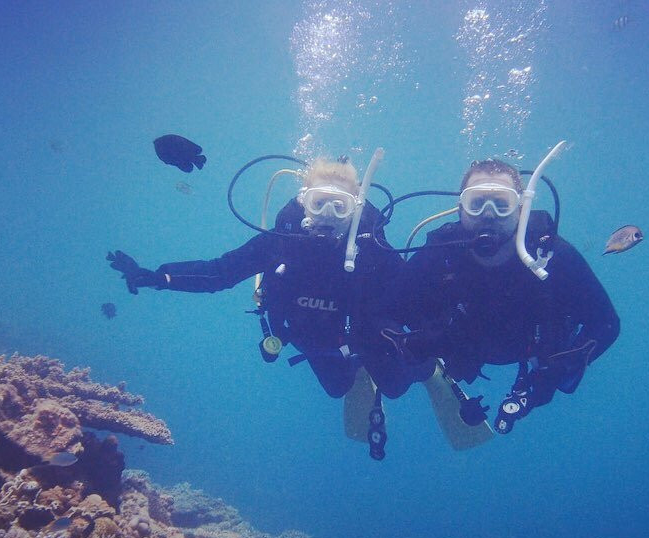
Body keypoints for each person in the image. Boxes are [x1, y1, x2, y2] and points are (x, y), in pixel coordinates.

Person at [107, 156, 431, 404]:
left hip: (364, 332)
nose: (329, 214)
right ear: (304, 202)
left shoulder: (370, 247)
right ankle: (359, 371)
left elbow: (414, 293)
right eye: (320, 202)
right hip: (310, 336)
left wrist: (433, 337)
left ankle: (430, 369)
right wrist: (159, 276)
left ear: (355, 210)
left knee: (396, 388)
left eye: (340, 205)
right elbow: (220, 272)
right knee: (336, 390)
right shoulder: (280, 242)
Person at [399, 157, 619, 434]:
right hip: (462, 347)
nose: (488, 214)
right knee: (398, 376)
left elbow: (607, 323)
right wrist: (418, 340)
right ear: (460, 209)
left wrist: (557, 370)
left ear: (521, 209)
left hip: (535, 351)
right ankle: (430, 370)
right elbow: (391, 304)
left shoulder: (552, 256)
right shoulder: (439, 254)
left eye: (502, 205)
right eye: (477, 203)